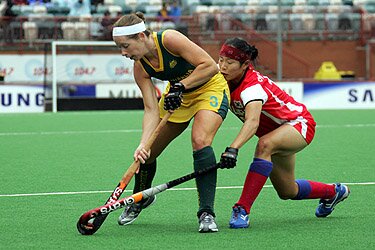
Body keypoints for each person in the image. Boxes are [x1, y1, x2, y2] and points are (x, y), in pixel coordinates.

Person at [111, 12, 230, 233]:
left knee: (200, 140)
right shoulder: (140, 68)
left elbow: (210, 66)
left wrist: (180, 86)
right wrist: (143, 144)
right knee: (149, 152)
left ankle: (206, 213)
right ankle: (141, 198)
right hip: (178, 96)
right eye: (120, 47)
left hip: (209, 88)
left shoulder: (169, 39)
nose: (123, 53)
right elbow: (150, 110)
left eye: (125, 46)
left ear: (140, 36)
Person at [217, 37, 350, 229]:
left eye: (229, 63)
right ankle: (333, 192)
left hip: (299, 124)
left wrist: (233, 148)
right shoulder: (221, 75)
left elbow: (252, 122)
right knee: (288, 191)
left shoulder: (252, 88)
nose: (223, 66)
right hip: (277, 132)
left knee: (264, 144)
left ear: (245, 64)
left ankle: (242, 208)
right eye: (221, 60)